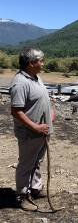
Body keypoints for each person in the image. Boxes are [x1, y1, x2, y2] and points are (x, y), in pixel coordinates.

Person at [10, 48, 55, 211]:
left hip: (42, 131)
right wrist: (35, 126)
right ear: (31, 63)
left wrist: (51, 111)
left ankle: (35, 189)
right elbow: (16, 111)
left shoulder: (36, 77)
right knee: (26, 164)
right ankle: (22, 195)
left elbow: (42, 97)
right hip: (30, 133)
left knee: (37, 161)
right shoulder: (20, 82)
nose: (43, 63)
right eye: (40, 60)